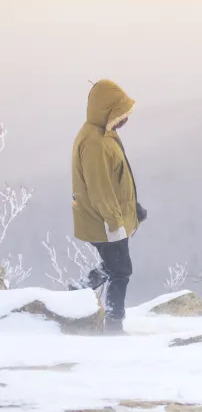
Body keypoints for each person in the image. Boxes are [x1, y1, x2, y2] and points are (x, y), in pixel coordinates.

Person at [71, 79, 147, 333]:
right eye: (120, 114)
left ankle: (75, 293)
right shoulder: (95, 142)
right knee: (121, 270)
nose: (125, 119)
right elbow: (100, 190)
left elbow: (116, 179)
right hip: (103, 221)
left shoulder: (104, 133)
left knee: (114, 265)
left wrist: (132, 209)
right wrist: (116, 224)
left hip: (108, 217)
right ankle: (114, 325)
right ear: (106, 111)